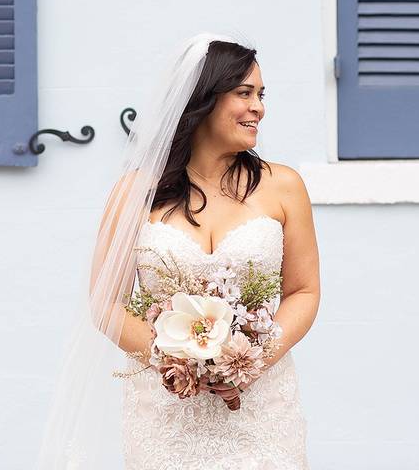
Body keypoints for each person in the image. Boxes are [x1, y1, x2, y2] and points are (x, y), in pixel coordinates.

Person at [35, 34, 321, 469]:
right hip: (165, 415)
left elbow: (303, 291)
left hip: (260, 411)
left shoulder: (283, 186)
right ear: (202, 100)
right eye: (244, 93)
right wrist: (177, 362)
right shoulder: (135, 192)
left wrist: (247, 363)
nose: (258, 107)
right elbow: (106, 303)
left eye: (261, 95)